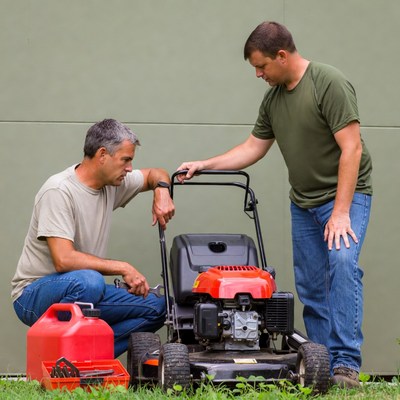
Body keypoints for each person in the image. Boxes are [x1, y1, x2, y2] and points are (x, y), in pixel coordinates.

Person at [177, 21, 372, 388]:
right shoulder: (274, 98)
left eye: (262, 66)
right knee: (312, 284)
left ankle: (346, 366)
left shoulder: (328, 83)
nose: (258, 74)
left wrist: (342, 212)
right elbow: (252, 148)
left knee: (343, 264)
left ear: (282, 56)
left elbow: (353, 147)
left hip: (345, 196)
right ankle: (322, 365)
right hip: (304, 201)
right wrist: (204, 164)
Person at [12, 118, 175, 357]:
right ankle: (61, 357)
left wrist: (162, 191)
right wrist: (123, 267)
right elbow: (63, 260)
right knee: (91, 281)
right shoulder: (58, 190)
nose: (130, 168)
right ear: (102, 155)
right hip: (33, 296)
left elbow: (156, 173)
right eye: (126, 160)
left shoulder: (113, 183)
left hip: (83, 290)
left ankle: (82, 358)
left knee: (161, 307)